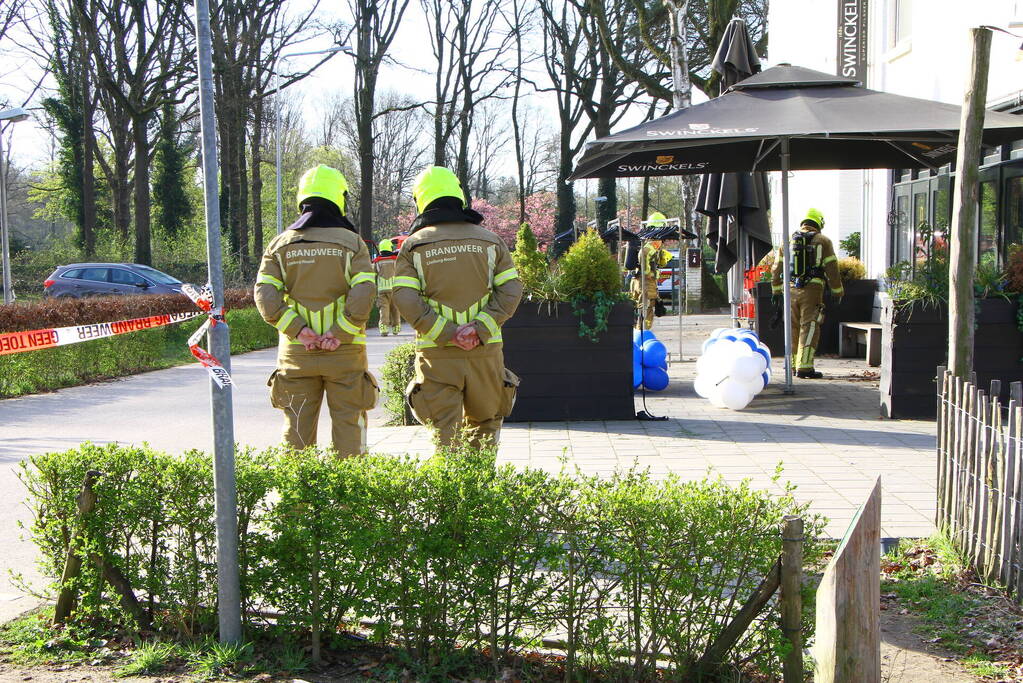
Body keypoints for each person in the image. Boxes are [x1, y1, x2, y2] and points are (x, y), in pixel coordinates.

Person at [393, 166, 523, 450]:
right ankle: (480, 491)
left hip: (437, 354)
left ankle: (448, 493)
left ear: (421, 201)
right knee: (485, 424)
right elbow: (511, 289)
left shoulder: (414, 246)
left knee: (443, 432)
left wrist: (447, 333)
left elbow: (404, 297)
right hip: (484, 352)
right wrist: (480, 329)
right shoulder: (490, 240)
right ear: (459, 197)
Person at [254, 164, 379, 456]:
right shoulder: (352, 243)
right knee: (350, 428)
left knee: (295, 432)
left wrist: (300, 331)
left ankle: (296, 501)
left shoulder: (280, 244)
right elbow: (364, 291)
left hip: (298, 354)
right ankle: (351, 501)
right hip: (345, 354)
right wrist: (339, 332)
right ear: (339, 198)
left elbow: (265, 294)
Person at [770, 208, 843, 379]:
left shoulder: (787, 241)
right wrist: (838, 291)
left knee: (793, 327)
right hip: (812, 290)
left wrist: (776, 290)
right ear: (819, 223)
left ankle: (794, 365)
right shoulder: (823, 241)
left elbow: (776, 268)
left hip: (790, 290)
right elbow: (832, 269)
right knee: (809, 326)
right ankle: (805, 367)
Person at [630, 212, 672, 330]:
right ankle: (644, 335)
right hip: (645, 282)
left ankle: (637, 333)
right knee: (646, 311)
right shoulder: (653, 243)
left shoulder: (644, 239)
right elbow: (644, 254)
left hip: (637, 281)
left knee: (639, 310)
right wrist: (648, 273)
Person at [373, 238, 401, 336]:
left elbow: (373, 273)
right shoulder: (395, 260)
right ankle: (396, 328)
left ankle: (383, 328)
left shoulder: (377, 262)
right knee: (395, 309)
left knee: (383, 309)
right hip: (394, 289)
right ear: (390, 248)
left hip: (382, 290)